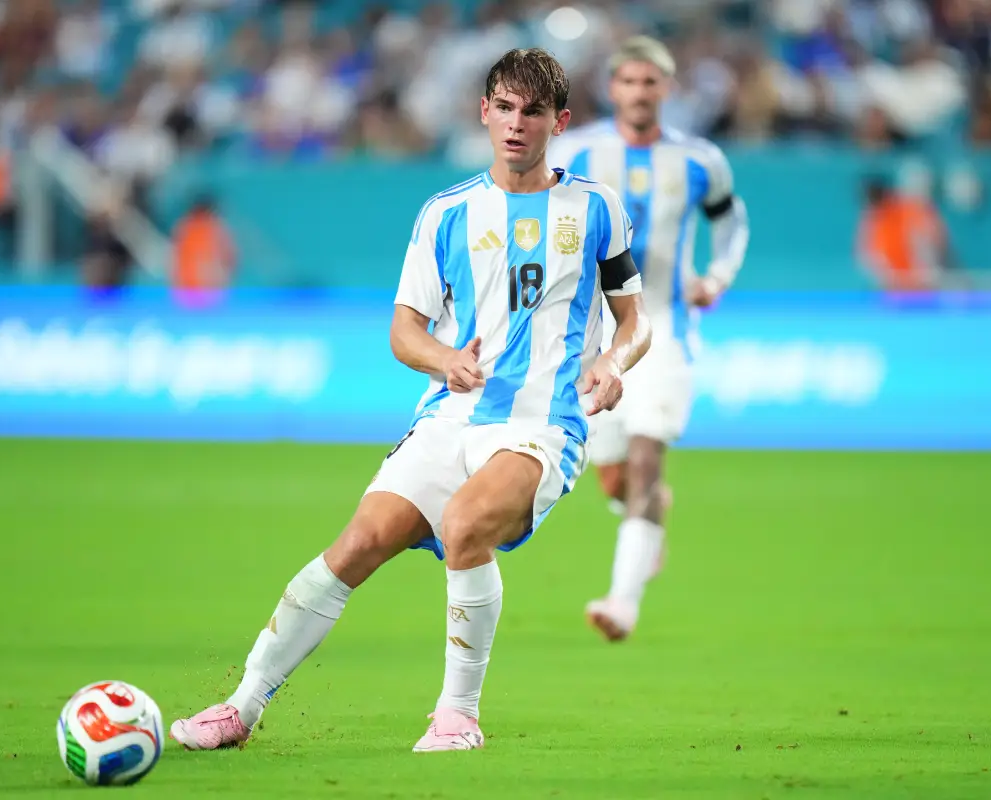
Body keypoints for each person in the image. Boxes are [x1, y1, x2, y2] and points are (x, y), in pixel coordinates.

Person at [169, 48, 651, 753]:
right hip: (451, 415)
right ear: (484, 112)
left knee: (465, 526)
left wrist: (613, 363)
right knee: (354, 546)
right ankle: (241, 707)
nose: (518, 124)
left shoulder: (596, 207)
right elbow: (404, 331)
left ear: (561, 121)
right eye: (506, 108)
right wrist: (445, 360)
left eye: (534, 112)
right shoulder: (446, 214)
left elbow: (634, 320)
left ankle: (457, 716)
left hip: (543, 423)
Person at [547, 37, 750, 642]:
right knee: (614, 477)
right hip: (593, 340)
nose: (640, 92)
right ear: (613, 90)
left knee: (643, 458)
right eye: (629, 82)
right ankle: (649, 521)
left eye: (651, 82)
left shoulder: (699, 160)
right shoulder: (578, 151)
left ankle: (621, 601)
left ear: (667, 89)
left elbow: (731, 218)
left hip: (665, 335)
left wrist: (716, 276)